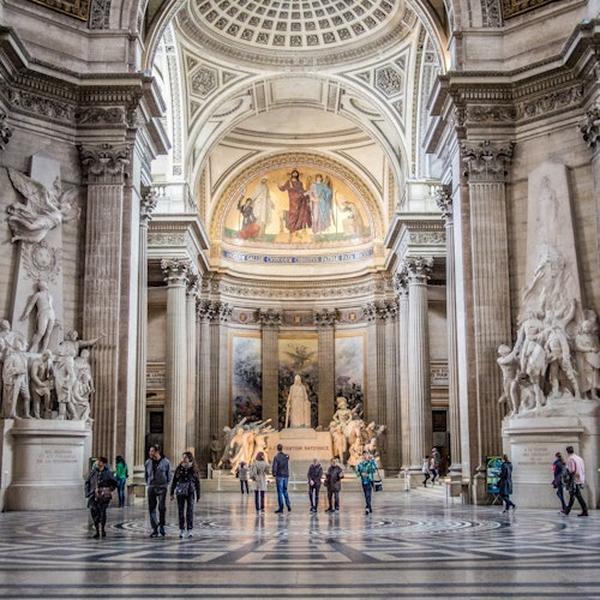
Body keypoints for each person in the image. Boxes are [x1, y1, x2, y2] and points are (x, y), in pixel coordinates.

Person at [84, 456, 117, 539]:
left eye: (99, 461)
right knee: (93, 512)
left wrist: (109, 489)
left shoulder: (108, 472)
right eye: (97, 461)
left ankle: (102, 529)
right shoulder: (93, 472)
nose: (97, 462)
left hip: (104, 496)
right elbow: (87, 482)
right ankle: (97, 530)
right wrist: (87, 492)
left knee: (102, 512)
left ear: (103, 463)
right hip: (93, 495)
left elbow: (114, 483)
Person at [170, 451, 201, 538]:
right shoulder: (179, 468)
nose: (183, 459)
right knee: (180, 511)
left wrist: (198, 494)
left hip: (190, 492)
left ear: (189, 458)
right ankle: (181, 529)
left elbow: (197, 482)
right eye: (183, 457)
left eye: (185, 457)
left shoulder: (194, 468)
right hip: (180, 492)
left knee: (189, 511)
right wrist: (172, 492)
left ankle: (190, 529)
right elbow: (174, 480)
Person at [145, 445, 172, 537]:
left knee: (161, 507)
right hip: (151, 486)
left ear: (157, 452)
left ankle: (162, 526)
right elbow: (146, 474)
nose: (150, 452)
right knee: (151, 508)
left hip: (162, 487)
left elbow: (169, 474)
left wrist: (166, 483)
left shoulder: (166, 462)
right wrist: (148, 483)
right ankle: (154, 528)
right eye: (150, 451)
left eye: (152, 451)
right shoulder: (148, 462)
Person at [564, 446, 588, 517]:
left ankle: (567, 511)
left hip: (574, 480)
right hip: (579, 479)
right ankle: (584, 510)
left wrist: (568, 477)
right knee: (577, 495)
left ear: (567, 451)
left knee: (574, 495)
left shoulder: (571, 459)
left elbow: (572, 470)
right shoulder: (579, 458)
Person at [272, 443, 291, 513]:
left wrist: (274, 473)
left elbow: (275, 466)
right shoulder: (286, 456)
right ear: (282, 448)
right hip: (286, 475)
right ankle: (288, 505)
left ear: (277, 449)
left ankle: (281, 507)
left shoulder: (276, 457)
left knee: (280, 492)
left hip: (279, 476)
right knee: (285, 491)